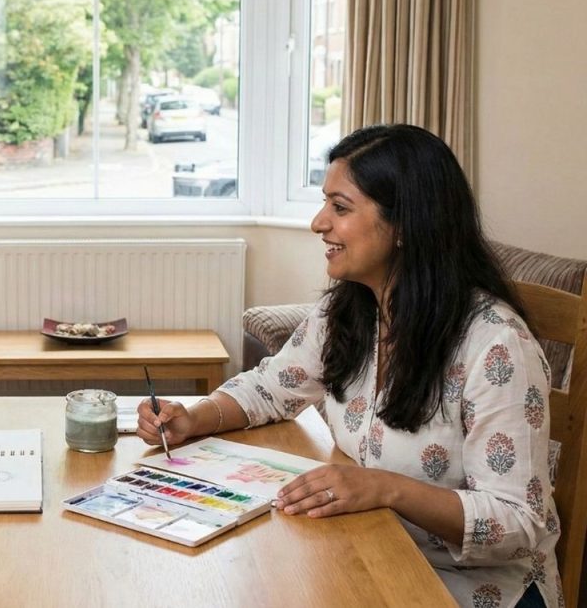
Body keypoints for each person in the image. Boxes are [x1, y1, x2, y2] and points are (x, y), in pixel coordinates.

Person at [139, 124, 560, 608]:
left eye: (340, 208)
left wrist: (385, 489)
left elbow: (517, 522)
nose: (319, 222)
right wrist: (196, 416)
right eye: (325, 204)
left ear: (405, 224)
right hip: (370, 548)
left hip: (474, 587)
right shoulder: (348, 310)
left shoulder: (496, 344)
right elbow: (269, 389)